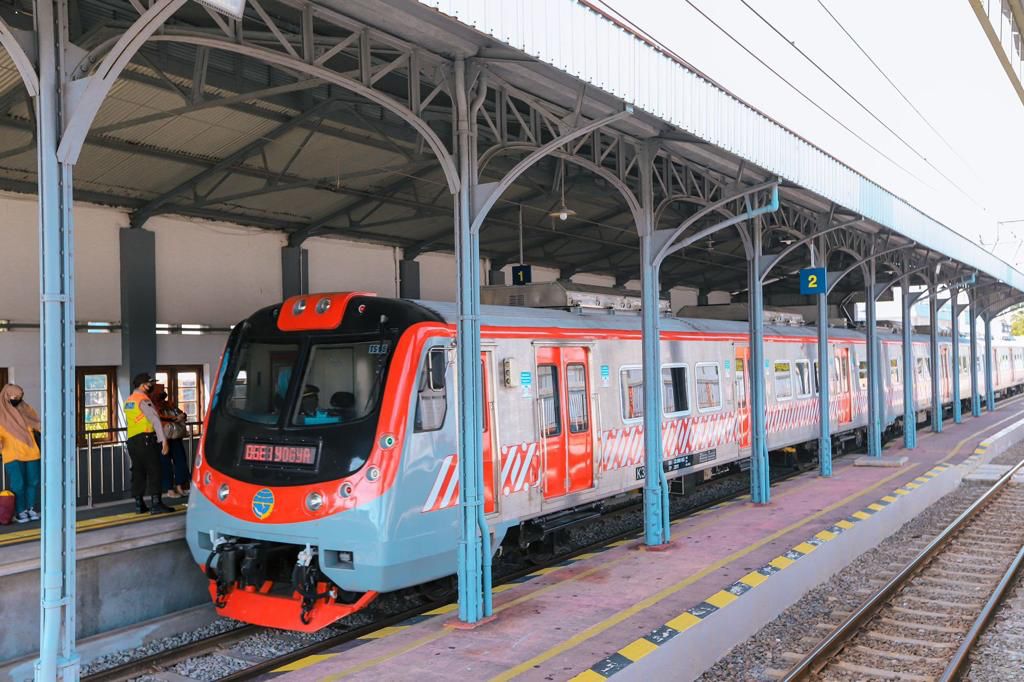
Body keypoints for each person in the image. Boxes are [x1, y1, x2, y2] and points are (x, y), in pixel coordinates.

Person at [124, 373, 173, 514]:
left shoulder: (129, 400)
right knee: (154, 470)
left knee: (138, 471)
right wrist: (163, 440)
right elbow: (155, 420)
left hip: (132, 440)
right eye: (150, 383)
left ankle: (139, 504)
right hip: (146, 440)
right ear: (143, 385)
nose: (152, 386)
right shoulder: (143, 400)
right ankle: (156, 504)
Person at [0, 384, 41, 524]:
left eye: (19, 397)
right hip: (12, 454)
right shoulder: (1, 414)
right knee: (18, 484)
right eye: (13, 397)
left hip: (32, 452)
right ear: (6, 396)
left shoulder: (25, 410)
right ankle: (20, 511)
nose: (16, 399)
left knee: (33, 482)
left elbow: (38, 425)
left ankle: (30, 508)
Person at [152, 386, 189, 499]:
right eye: (160, 392)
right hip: (162, 438)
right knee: (165, 464)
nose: (163, 393)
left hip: (175, 437)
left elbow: (181, 413)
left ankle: (180, 486)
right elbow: (158, 418)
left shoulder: (170, 404)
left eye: (163, 391)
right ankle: (169, 489)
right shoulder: (152, 406)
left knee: (181, 461)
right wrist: (174, 418)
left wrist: (182, 415)